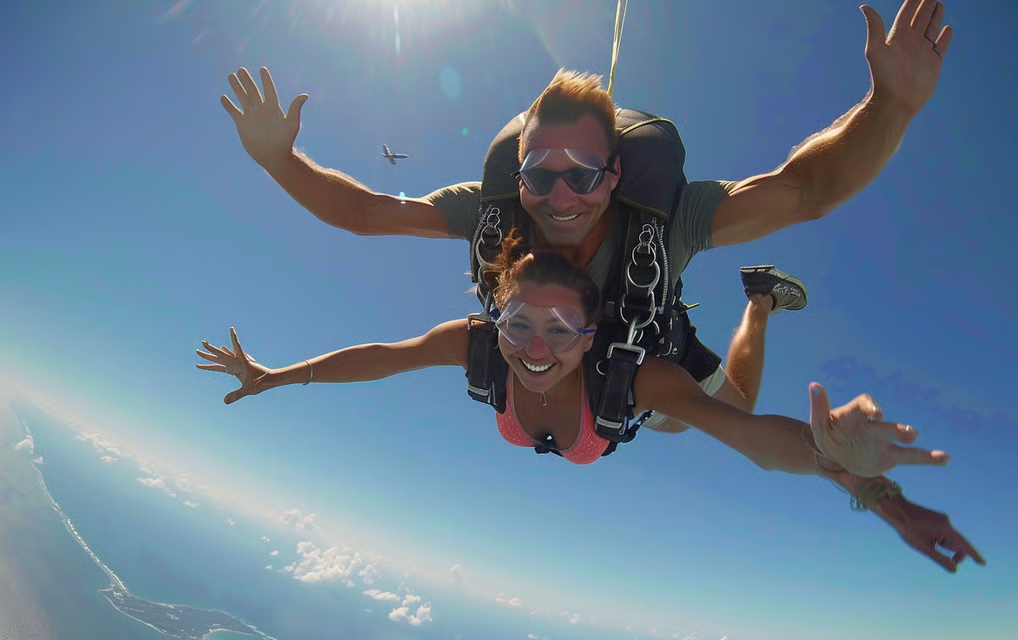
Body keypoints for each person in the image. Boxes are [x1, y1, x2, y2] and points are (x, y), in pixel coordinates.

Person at [219, 0, 952, 418]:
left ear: (614, 178)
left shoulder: (668, 219)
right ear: (519, 177)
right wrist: (278, 160)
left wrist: (890, 108)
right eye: (539, 175)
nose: (559, 197)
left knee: (733, 410)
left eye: (582, 175)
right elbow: (369, 214)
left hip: (649, 353)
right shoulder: (492, 211)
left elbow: (806, 191)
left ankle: (758, 302)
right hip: (572, 376)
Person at [196, 232, 982, 572]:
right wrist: (276, 375)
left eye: (562, 330)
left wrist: (850, 473)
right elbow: (382, 359)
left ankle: (760, 302)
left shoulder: (632, 377)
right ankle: (757, 304)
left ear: (592, 332)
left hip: (655, 402)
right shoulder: (478, 346)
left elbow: (748, 438)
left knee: (736, 394)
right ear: (494, 317)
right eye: (519, 325)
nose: (535, 352)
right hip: (613, 423)